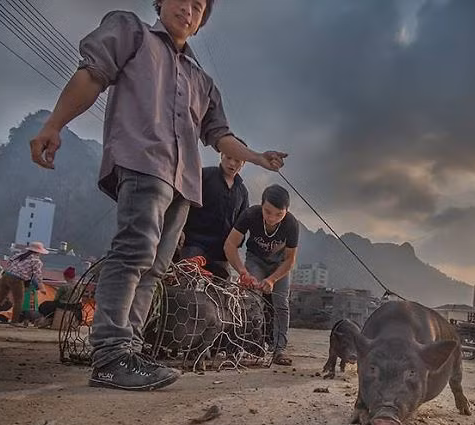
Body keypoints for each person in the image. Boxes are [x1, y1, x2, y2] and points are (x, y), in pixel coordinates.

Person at [29, 0, 287, 391]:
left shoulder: (203, 81)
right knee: (133, 252)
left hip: (183, 182)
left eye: (198, 7)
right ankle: (111, 355)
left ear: (201, 23)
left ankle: (130, 349)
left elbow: (220, 135)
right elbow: (92, 75)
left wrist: (257, 157)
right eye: (181, 0)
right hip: (142, 162)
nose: (188, 9)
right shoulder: (131, 33)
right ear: (160, 3)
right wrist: (54, 123)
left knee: (154, 268)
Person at [224, 184, 298, 365]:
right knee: (252, 299)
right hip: (255, 260)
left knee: (281, 303)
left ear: (286, 211)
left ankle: (279, 350)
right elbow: (230, 245)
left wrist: (272, 279)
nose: (272, 218)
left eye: (279, 214)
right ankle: (248, 345)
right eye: (268, 212)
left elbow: (290, 260)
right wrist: (242, 271)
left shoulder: (291, 224)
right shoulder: (250, 214)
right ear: (261, 205)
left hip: (279, 265)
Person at [181, 145, 249, 279]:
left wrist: (234, 246)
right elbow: (184, 201)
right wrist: (179, 230)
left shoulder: (242, 192)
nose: (232, 163)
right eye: (229, 157)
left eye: (237, 160)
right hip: (194, 242)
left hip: (221, 251)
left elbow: (242, 225)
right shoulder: (203, 176)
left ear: (244, 162)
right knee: (185, 282)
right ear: (222, 155)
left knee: (223, 291)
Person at [0, 242, 47, 324]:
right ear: (39, 252)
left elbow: (9, 262)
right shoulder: (36, 261)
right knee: (19, 301)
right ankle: (14, 321)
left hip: (6, 275)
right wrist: (41, 287)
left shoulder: (18, 255)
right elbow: (38, 275)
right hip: (17, 279)